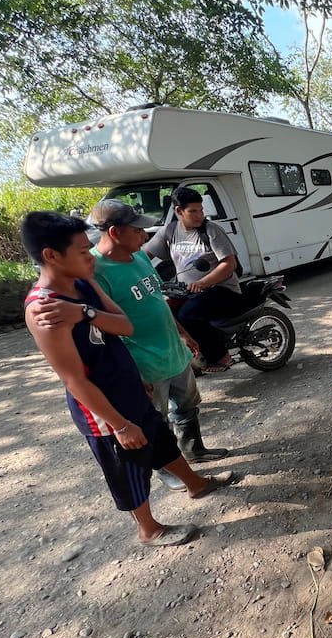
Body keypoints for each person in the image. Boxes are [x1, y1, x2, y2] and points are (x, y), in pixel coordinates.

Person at [20, 212, 235, 547]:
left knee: (160, 440)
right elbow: (74, 380)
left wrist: (86, 310)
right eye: (81, 251)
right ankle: (148, 529)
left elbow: (124, 326)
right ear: (51, 256)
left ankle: (196, 484)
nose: (90, 256)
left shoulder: (82, 286)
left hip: (128, 385)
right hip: (103, 408)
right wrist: (118, 425)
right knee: (129, 466)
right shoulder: (44, 310)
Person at [28, 199, 230, 469]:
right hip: (145, 363)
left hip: (173, 352)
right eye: (136, 230)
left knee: (187, 405)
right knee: (157, 421)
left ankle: (193, 451)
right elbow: (105, 330)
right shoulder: (93, 272)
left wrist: (182, 333)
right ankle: (172, 470)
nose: (144, 235)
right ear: (114, 233)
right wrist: (132, 373)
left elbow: (158, 300)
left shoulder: (140, 258)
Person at [144, 186, 247, 373]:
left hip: (222, 290)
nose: (199, 215)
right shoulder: (169, 231)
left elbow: (229, 264)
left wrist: (202, 282)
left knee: (188, 315)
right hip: (189, 291)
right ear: (178, 211)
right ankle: (194, 354)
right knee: (166, 312)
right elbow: (144, 255)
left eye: (201, 210)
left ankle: (221, 356)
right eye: (193, 211)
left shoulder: (211, 230)